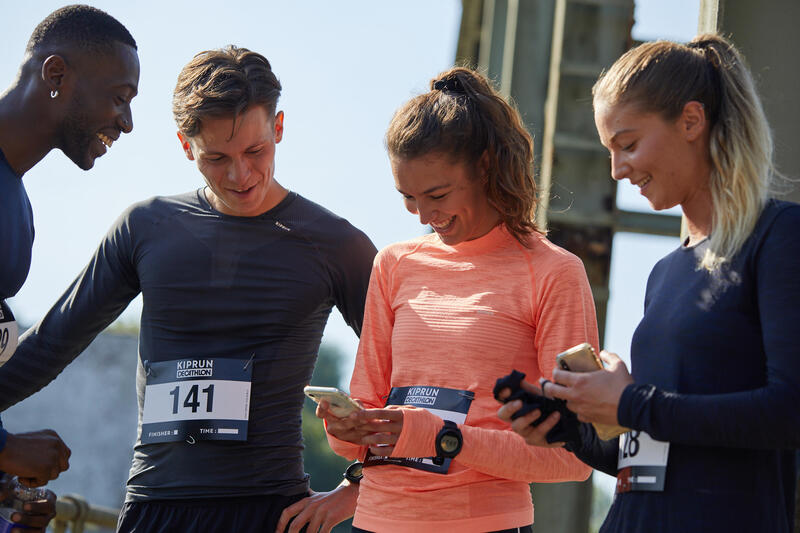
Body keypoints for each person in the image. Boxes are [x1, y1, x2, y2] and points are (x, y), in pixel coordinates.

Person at [0, 45, 376, 533]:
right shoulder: (144, 227)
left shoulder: (337, 243)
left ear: (278, 129)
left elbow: (416, 368)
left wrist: (356, 489)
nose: (240, 176)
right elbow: (45, 348)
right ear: (185, 144)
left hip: (270, 514)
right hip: (153, 510)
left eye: (255, 152)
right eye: (216, 157)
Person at [498, 33, 800, 533]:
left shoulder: (780, 237)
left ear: (690, 121)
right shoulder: (665, 272)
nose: (617, 170)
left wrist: (631, 402)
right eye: (609, 151)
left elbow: (789, 411)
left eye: (629, 144)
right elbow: (652, 452)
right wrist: (569, 425)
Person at [317, 67, 597, 532]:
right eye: (408, 198)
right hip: (376, 520)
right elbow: (364, 426)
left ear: (484, 165)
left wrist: (447, 439)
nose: (425, 216)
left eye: (437, 194)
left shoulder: (554, 272)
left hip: (484, 524)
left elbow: (574, 456)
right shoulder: (393, 263)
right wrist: (348, 428)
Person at [0, 5, 139, 531]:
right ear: (56, 75)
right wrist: (6, 447)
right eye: (120, 98)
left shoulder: (18, 202)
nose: (126, 121)